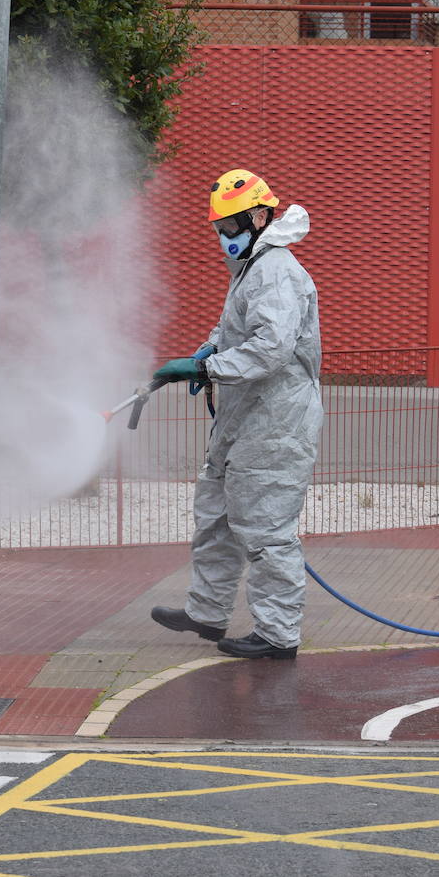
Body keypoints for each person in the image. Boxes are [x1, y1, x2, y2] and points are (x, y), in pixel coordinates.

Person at [149, 169, 323, 660]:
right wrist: (206, 350)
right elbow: (238, 328)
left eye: (230, 226)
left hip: (276, 423)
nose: (224, 236)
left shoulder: (275, 270)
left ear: (259, 216)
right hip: (245, 415)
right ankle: (207, 612)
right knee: (218, 515)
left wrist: (210, 366)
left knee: (265, 529)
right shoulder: (252, 267)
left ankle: (277, 634)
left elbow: (270, 347)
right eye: (219, 228)